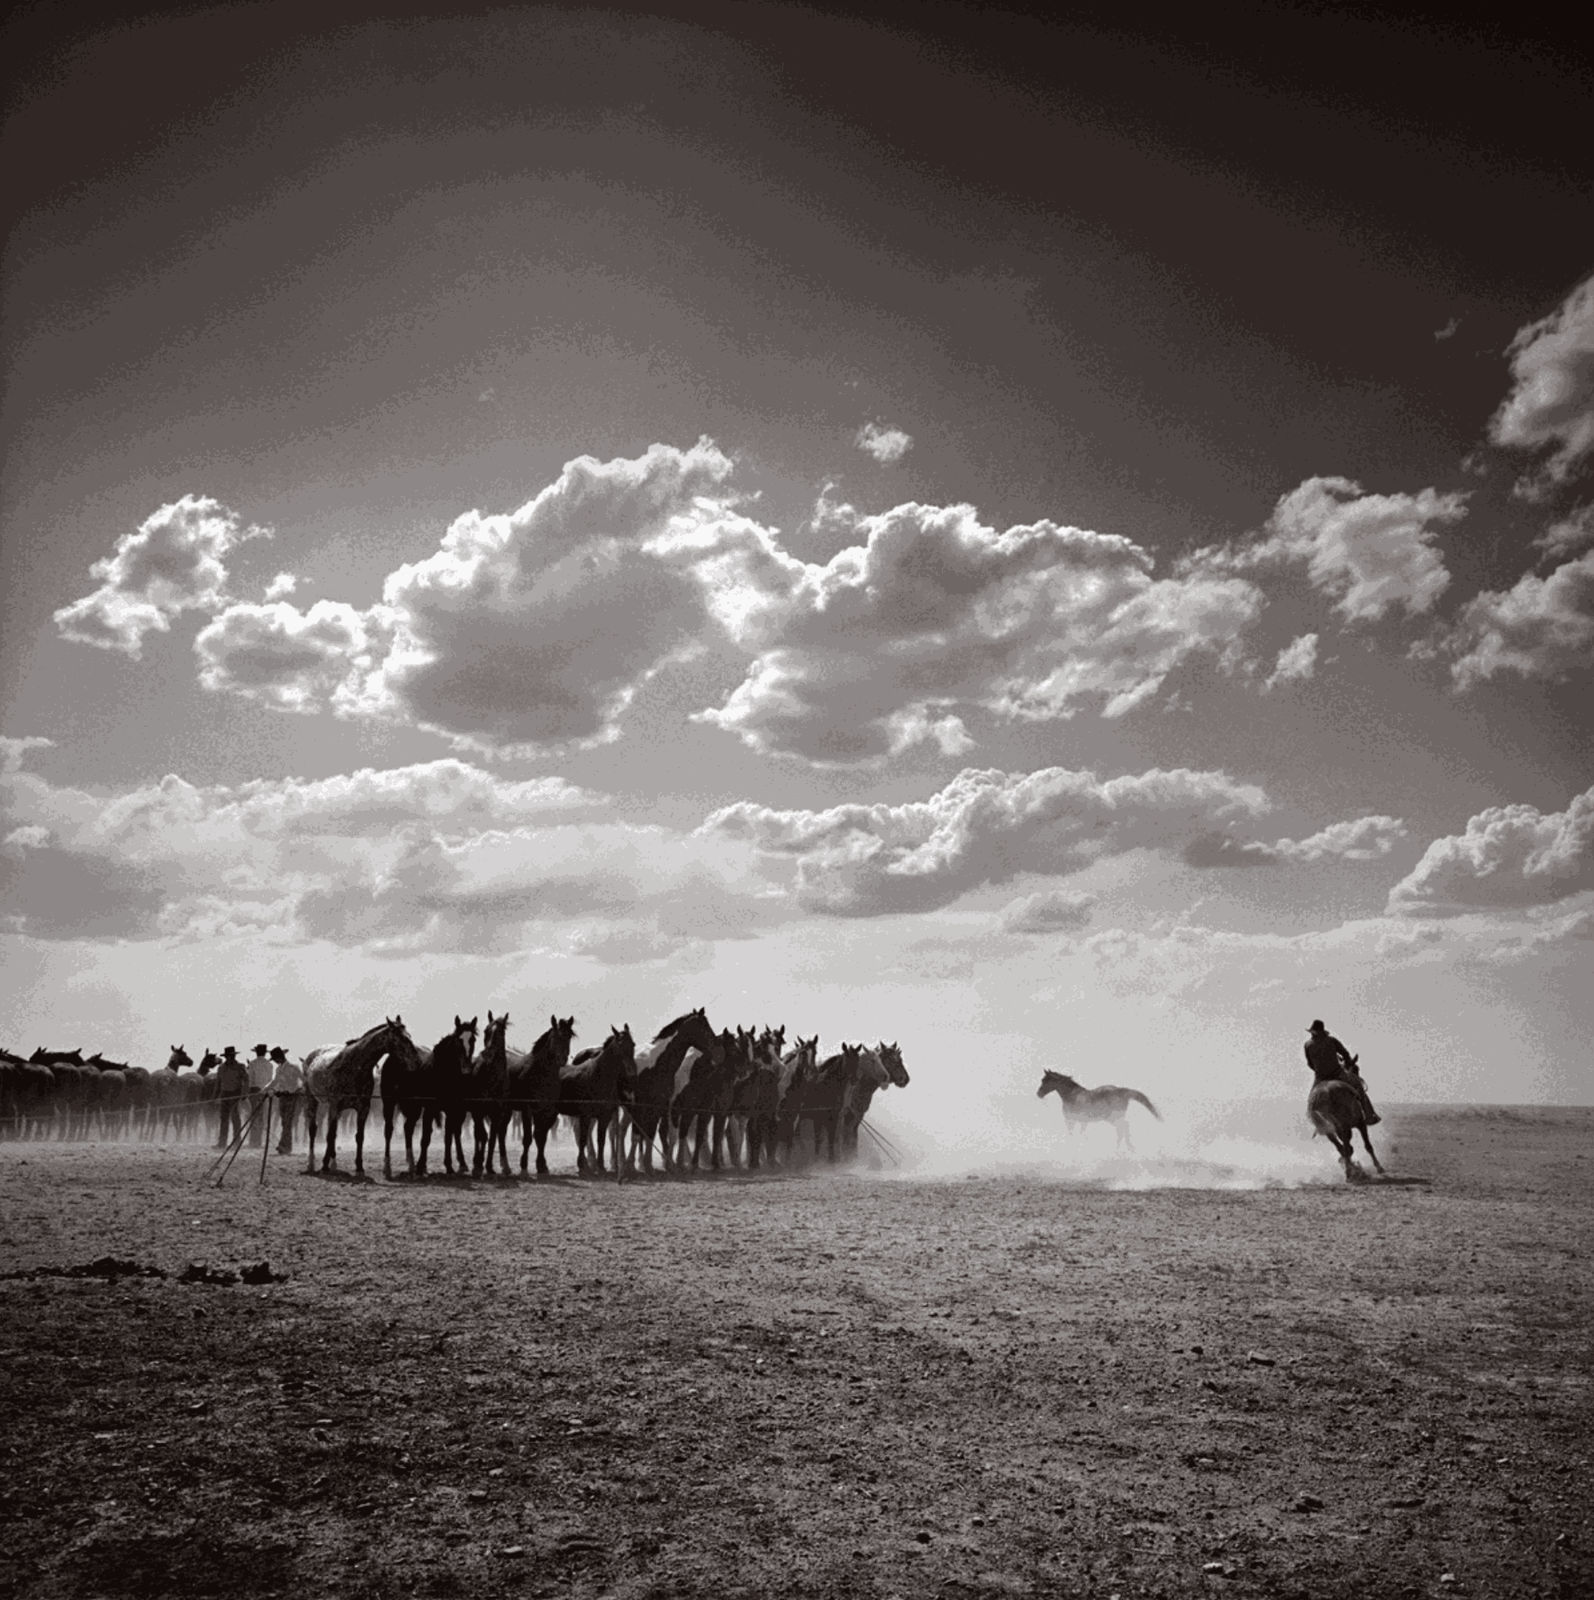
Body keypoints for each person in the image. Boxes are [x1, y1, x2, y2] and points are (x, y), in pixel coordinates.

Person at [1304, 1020, 1380, 1126]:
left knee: (1312, 1100)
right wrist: (1348, 1062)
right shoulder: (1331, 1040)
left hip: (1320, 1078)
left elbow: (1310, 1064)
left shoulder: (1307, 1045)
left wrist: (1319, 1070)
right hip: (1337, 1074)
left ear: (1312, 1032)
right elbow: (1345, 1053)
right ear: (1322, 1031)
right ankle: (1369, 1115)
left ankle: (1316, 1122)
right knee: (1358, 1085)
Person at [267, 1046, 303, 1155]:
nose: (276, 1062)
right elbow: (274, 1082)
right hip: (281, 1097)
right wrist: (265, 1090)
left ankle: (285, 1146)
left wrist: (295, 1091)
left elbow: (303, 1081)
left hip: (292, 1097)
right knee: (284, 1122)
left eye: (275, 1059)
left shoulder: (294, 1068)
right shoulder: (279, 1069)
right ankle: (285, 1145)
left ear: (279, 1058)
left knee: (287, 1122)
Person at [214, 1045, 249, 1148]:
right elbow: (218, 1083)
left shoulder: (240, 1067)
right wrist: (215, 1096)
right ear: (226, 1057)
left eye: (231, 1056)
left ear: (234, 1056)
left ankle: (237, 1141)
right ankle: (222, 1142)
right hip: (224, 1094)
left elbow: (246, 1080)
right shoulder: (221, 1068)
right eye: (228, 1056)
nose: (230, 1057)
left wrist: (244, 1093)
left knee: (235, 1118)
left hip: (235, 1094)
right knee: (224, 1119)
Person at [246, 1045, 275, 1146]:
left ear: (256, 1052)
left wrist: (249, 1092)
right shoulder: (269, 1065)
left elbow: (250, 1080)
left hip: (254, 1091)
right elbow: (270, 1080)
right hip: (265, 1092)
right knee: (262, 1116)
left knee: (254, 1115)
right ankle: (259, 1141)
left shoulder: (252, 1064)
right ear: (265, 1053)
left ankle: (253, 1140)